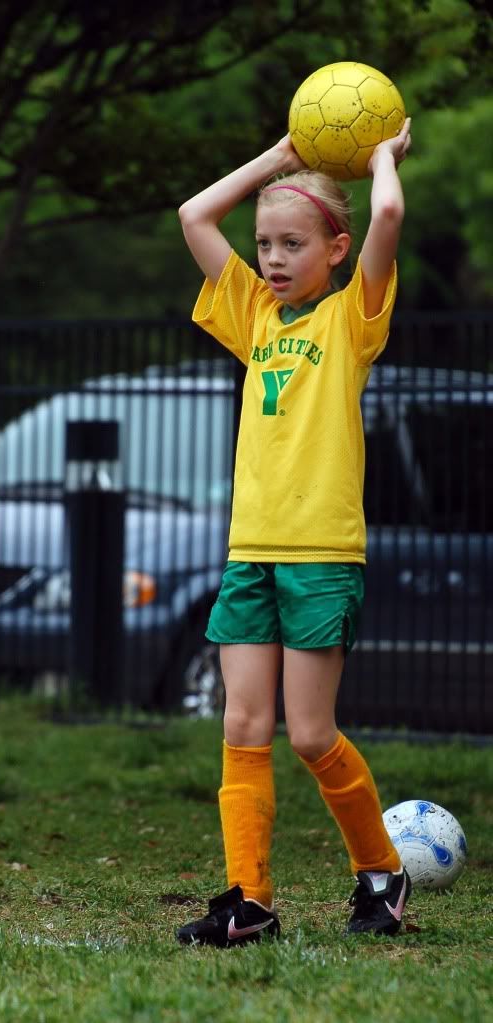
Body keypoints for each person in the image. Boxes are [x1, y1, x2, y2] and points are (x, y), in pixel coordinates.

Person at [176, 118, 412, 947]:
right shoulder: (254, 317)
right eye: (265, 245)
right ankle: (249, 900)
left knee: (311, 733)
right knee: (243, 725)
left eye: (291, 243)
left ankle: (381, 873)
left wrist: (380, 156)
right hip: (252, 553)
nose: (271, 259)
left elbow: (387, 218)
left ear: (335, 250)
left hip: (320, 556)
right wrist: (278, 159)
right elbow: (193, 217)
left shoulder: (352, 321)